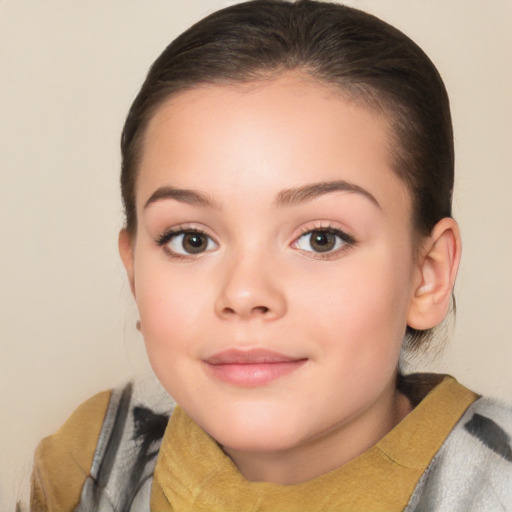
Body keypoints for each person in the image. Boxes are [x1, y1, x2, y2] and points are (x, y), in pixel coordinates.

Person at [28, 1, 512, 510]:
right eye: (191, 239)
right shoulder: (90, 465)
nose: (244, 293)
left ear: (427, 275)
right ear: (135, 274)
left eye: (321, 238)